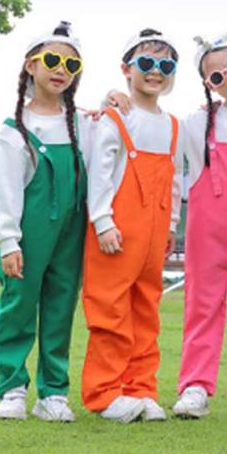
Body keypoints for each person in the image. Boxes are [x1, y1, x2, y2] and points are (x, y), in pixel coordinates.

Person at [0, 21, 91, 422]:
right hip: (29, 230)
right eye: (52, 60)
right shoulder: (13, 130)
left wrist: (116, 98)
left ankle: (53, 393)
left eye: (71, 64)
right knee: (18, 304)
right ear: (30, 65)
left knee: (61, 305)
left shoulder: (83, 123)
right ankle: (12, 387)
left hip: (71, 229)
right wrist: (8, 242)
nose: (61, 69)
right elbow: (6, 192)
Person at [81, 28, 181, 424]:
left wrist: (171, 224)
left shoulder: (172, 125)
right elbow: (100, 174)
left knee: (146, 310)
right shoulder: (115, 117)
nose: (156, 72)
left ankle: (141, 388)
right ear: (127, 69)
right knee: (109, 310)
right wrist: (102, 221)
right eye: (146, 63)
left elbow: (175, 179)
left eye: (165, 66)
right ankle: (105, 393)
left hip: (154, 231)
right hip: (116, 230)